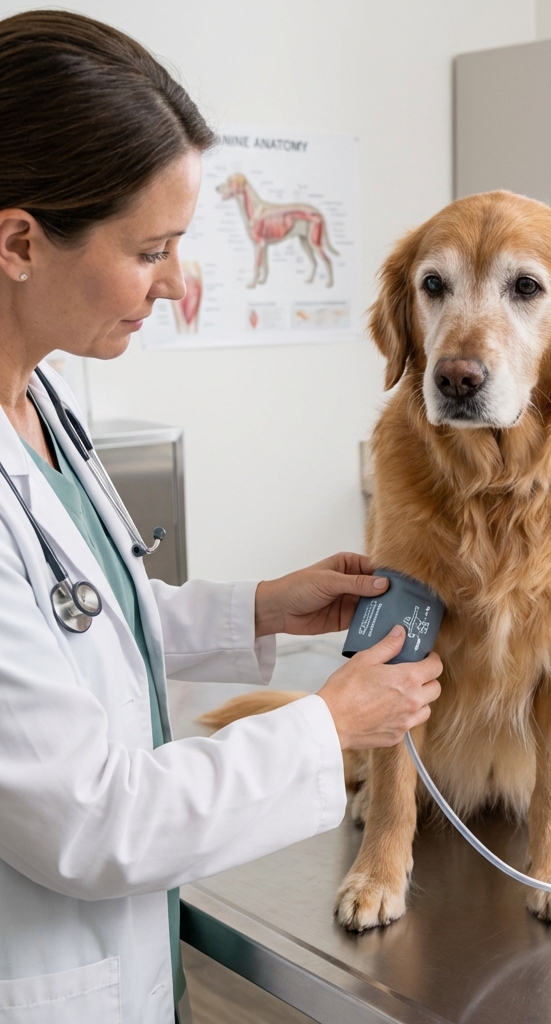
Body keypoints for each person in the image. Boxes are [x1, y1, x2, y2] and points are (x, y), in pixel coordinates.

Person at [0, 11, 442, 1024]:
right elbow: (92, 821)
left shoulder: (42, 401)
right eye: (151, 247)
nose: (176, 281)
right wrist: (328, 722)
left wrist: (261, 609)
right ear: (21, 241)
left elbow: (83, 626)